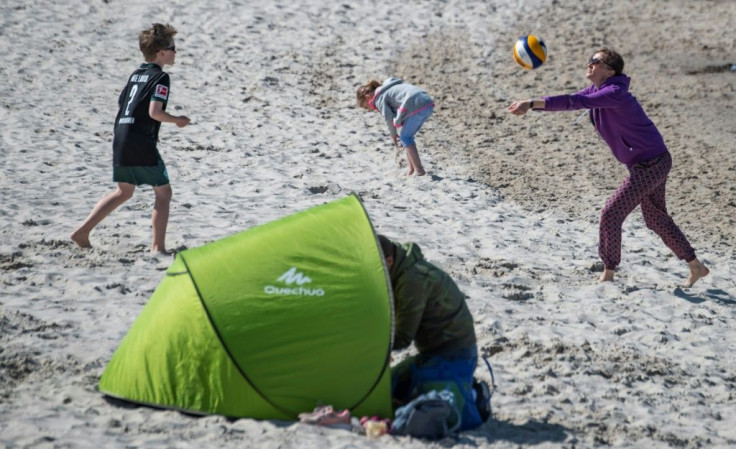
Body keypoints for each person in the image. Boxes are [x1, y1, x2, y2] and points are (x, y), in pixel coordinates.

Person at [508, 48, 709, 287]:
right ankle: (696, 266)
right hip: (647, 162)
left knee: (611, 214)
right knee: (655, 219)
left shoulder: (615, 93)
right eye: (589, 60)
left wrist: (530, 103)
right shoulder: (598, 91)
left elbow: (576, 102)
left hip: (651, 164)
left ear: (610, 70)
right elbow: (571, 99)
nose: (590, 64)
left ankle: (609, 271)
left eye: (596, 61)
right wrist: (533, 106)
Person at [71, 23, 190, 253]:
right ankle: (158, 248)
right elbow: (154, 112)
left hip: (121, 136)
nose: (176, 52)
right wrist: (177, 120)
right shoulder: (161, 78)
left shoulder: (135, 74)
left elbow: (123, 104)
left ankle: (82, 231)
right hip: (139, 139)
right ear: (161, 52)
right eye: (173, 47)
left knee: (124, 191)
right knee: (164, 193)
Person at [378, 235, 485, 429]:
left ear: (389, 261)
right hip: (433, 352)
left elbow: (402, 338)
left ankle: (473, 395)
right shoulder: (403, 269)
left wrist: (371, 350)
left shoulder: (411, 281)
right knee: (390, 385)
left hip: (454, 354)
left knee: (423, 404)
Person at [357, 78, 434, 176]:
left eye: (366, 107)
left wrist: (393, 135)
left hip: (415, 104)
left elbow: (388, 118)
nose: (369, 109)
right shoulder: (388, 89)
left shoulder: (378, 97)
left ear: (367, 98)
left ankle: (419, 170)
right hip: (427, 103)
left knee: (405, 138)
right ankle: (411, 169)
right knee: (406, 137)